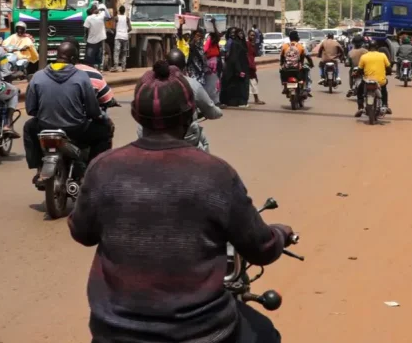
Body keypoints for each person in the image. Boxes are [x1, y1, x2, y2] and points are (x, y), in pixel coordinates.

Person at [68, 60, 295, 343]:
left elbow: (82, 232)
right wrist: (281, 233)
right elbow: (261, 248)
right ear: (190, 116)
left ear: (137, 117)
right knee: (265, 333)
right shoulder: (216, 173)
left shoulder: (103, 167)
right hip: (202, 332)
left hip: (113, 329)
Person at [23, 41, 114, 184]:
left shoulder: (38, 76)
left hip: (44, 127)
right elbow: (92, 110)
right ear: (73, 60)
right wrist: (97, 116)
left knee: (29, 127)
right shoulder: (82, 77)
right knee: (105, 130)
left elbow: (30, 109)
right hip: (76, 129)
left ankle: (38, 167)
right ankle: (91, 173)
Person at [355, 44, 392, 118]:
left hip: (367, 81)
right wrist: (388, 73)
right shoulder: (382, 55)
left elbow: (359, 70)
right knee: (384, 89)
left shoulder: (364, 56)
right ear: (377, 48)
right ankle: (385, 105)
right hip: (380, 81)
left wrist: (356, 74)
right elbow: (389, 68)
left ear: (368, 48)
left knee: (359, 91)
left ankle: (361, 107)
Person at [219, 28, 251, 108]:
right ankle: (237, 102)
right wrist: (239, 70)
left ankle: (240, 101)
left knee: (240, 86)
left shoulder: (242, 43)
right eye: (239, 33)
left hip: (243, 67)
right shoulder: (234, 43)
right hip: (236, 68)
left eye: (242, 33)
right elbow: (234, 58)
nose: (241, 35)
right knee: (237, 86)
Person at [203, 21, 223, 105]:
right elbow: (205, 52)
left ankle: (215, 100)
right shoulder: (210, 41)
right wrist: (214, 24)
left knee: (216, 83)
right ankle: (213, 101)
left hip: (215, 64)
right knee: (212, 83)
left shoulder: (213, 43)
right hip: (211, 65)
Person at [83, 4, 107, 70]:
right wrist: (100, 10)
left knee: (90, 57)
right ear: (96, 10)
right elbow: (105, 12)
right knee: (99, 55)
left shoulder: (88, 18)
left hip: (91, 40)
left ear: (91, 10)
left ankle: (91, 69)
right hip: (100, 40)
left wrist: (85, 36)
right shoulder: (101, 16)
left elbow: (85, 29)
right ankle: (100, 69)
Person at [245, 30, 264, 106]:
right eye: (251, 35)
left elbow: (255, 54)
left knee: (254, 81)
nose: (252, 37)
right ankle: (255, 99)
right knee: (252, 82)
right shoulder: (246, 44)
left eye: (253, 35)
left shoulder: (254, 45)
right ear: (248, 35)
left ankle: (255, 98)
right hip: (248, 65)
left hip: (252, 65)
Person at [111, 5, 131, 72]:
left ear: (119, 11)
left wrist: (116, 31)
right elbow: (130, 28)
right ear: (124, 11)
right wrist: (125, 31)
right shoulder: (127, 18)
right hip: (125, 37)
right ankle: (123, 67)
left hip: (118, 36)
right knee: (124, 52)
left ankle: (116, 67)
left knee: (116, 52)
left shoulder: (116, 18)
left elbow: (113, 28)